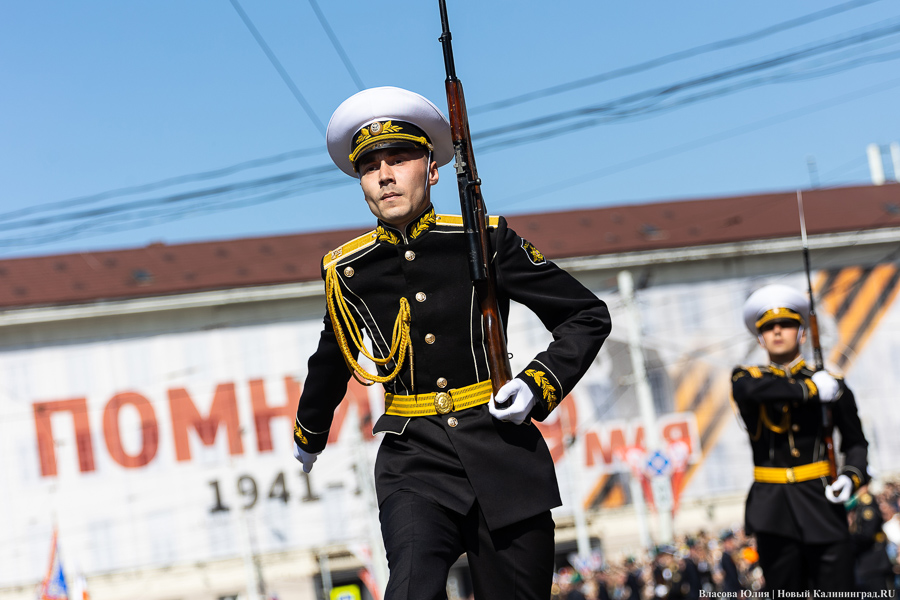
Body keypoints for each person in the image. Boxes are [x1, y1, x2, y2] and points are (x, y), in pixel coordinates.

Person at [290, 87, 612, 600]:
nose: (386, 174)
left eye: (400, 159)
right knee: (411, 589)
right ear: (361, 182)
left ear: (433, 170)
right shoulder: (348, 270)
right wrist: (309, 432)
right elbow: (333, 357)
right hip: (413, 456)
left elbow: (585, 315)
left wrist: (536, 386)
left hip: (500, 448)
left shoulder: (486, 239)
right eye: (371, 166)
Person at [732, 284, 870, 593]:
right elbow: (753, 392)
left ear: (803, 333)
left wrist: (851, 476)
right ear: (759, 338)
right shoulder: (747, 379)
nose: (777, 331)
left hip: (821, 500)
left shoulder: (832, 385)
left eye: (787, 324)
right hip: (773, 509)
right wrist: (810, 390)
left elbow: (856, 443)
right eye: (768, 327)